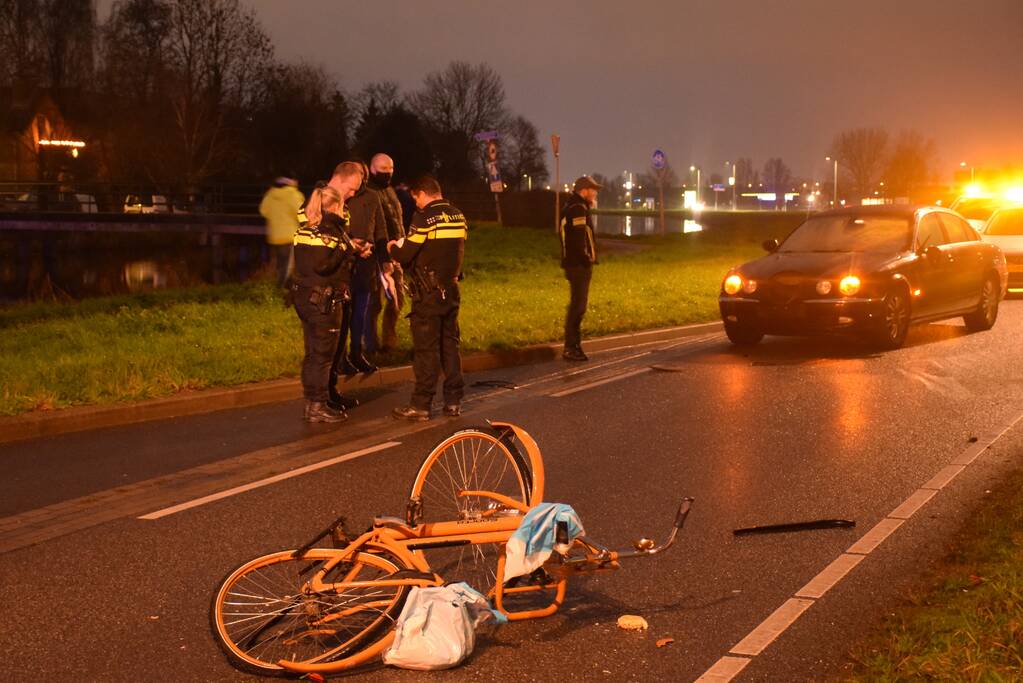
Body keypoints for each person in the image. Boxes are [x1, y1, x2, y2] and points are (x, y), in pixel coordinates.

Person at [388, 175, 467, 421]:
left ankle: (421, 405)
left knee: (426, 350)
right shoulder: (458, 215)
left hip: (428, 294)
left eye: (416, 199)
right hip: (451, 290)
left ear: (422, 193)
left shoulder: (424, 218)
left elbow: (406, 252)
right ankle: (453, 402)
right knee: (450, 346)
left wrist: (392, 247)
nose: (417, 204)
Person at [291, 166, 362, 423]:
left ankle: (311, 402)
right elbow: (324, 266)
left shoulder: (302, 231)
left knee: (312, 354)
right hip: (324, 300)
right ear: (333, 208)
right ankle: (319, 405)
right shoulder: (331, 235)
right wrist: (347, 249)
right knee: (323, 356)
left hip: (304, 296)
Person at [338, 162, 386, 374]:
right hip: (345, 260)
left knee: (360, 310)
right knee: (343, 312)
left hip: (366, 261)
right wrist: (353, 246)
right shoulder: (340, 196)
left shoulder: (372, 197)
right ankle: (339, 357)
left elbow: (381, 228)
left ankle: (356, 352)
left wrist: (384, 258)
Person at [366, 153, 406, 352]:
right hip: (378, 254)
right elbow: (376, 227)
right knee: (375, 302)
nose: (388, 174)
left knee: (398, 297)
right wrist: (382, 255)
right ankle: (371, 343)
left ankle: (389, 339)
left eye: (390, 170)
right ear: (372, 169)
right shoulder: (368, 193)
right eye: (383, 171)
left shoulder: (390, 190)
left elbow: (397, 220)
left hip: (396, 251)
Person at [559, 175, 601, 361]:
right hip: (578, 266)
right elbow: (577, 239)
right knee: (578, 307)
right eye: (593, 190)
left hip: (574, 264)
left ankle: (573, 345)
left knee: (577, 306)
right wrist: (586, 260)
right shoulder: (578, 209)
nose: (595, 194)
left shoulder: (574, 206)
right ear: (584, 190)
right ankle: (571, 347)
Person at [259, 174, 304, 288]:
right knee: (289, 266)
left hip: (274, 235)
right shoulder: (294, 195)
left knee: (280, 264)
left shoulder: (270, 194)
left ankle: (279, 285)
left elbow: (263, 210)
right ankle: (282, 289)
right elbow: (301, 213)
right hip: (290, 235)